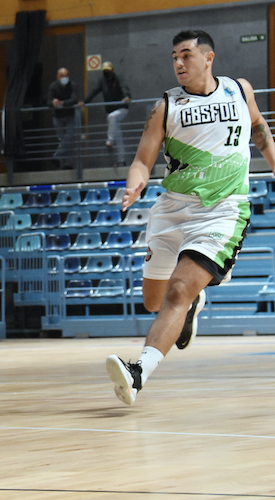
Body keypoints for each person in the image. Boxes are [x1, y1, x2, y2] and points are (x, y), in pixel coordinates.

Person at [106, 30, 275, 405]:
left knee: (179, 289)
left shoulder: (238, 90)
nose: (179, 63)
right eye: (174, 58)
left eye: (186, 55)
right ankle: (192, 307)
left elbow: (260, 132)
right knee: (155, 301)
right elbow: (142, 160)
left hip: (223, 209)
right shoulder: (166, 107)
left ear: (208, 57)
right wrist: (134, 185)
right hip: (172, 210)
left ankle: (137, 373)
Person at [79, 61, 131, 166]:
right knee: (118, 135)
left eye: (108, 71)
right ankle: (121, 160)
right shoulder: (102, 81)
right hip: (110, 110)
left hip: (122, 108)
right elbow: (94, 91)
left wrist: (127, 96)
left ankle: (109, 141)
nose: (107, 73)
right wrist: (84, 101)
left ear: (112, 70)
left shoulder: (118, 78)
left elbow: (124, 86)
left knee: (112, 117)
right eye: (105, 71)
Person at [47, 68, 79, 169]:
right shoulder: (53, 86)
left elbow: (74, 99)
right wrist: (53, 103)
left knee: (68, 137)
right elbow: (48, 102)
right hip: (58, 116)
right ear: (58, 77)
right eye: (62, 75)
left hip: (70, 115)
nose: (65, 78)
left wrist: (62, 103)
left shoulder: (73, 85)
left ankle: (57, 157)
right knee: (63, 139)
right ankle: (67, 164)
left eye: (66, 75)